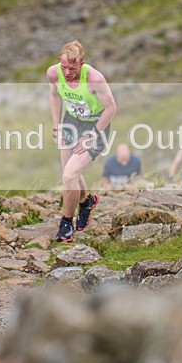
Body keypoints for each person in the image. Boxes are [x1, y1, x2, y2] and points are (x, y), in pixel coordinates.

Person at [47, 40, 116, 242]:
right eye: (64, 67)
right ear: (59, 60)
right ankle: (86, 201)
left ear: (82, 64)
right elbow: (54, 96)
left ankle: (66, 222)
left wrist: (92, 134)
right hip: (71, 123)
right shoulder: (53, 73)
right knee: (69, 172)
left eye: (73, 68)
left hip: (96, 125)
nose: (67, 73)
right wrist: (56, 126)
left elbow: (111, 109)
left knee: (69, 177)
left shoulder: (95, 78)